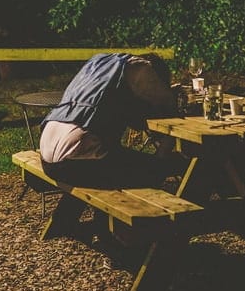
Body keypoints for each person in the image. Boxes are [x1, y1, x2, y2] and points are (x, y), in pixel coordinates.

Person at [38, 52, 184, 191]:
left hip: (48, 154)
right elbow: (167, 104)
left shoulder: (101, 64)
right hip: (75, 158)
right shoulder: (140, 68)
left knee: (116, 165)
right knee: (164, 167)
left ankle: (64, 217)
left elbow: (135, 120)